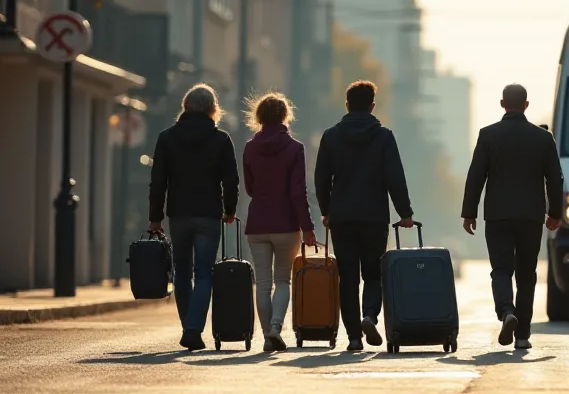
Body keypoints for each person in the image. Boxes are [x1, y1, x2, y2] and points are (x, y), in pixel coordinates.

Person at [314, 80, 415, 352]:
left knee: (348, 277)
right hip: (374, 217)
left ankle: (354, 337)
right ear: (372, 106)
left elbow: (321, 179)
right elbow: (395, 177)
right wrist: (405, 213)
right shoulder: (384, 137)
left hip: (342, 218)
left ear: (347, 105)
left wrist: (326, 211)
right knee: (373, 273)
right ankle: (369, 315)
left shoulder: (331, 137)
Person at [461, 83, 563, 350]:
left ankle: (507, 311)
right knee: (527, 275)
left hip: (498, 216)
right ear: (526, 105)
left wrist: (469, 212)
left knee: (501, 269)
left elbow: (476, 176)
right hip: (531, 217)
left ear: (502, 104)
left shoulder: (488, 135)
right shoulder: (543, 138)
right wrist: (554, 213)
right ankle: (523, 335)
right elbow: (555, 179)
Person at [148, 83, 239, 351]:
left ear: (185, 106)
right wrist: (230, 210)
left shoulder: (167, 138)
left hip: (178, 214)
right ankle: (193, 328)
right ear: (213, 109)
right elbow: (230, 181)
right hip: (209, 214)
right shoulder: (221, 139)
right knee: (204, 273)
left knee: (182, 271)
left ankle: (188, 325)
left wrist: (155, 218)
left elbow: (158, 182)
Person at [241, 92, 317, 352]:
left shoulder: (250, 148)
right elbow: (298, 193)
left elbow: (249, 188)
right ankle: (275, 326)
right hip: (286, 225)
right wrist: (307, 227)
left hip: (257, 225)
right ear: (286, 115)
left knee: (263, 283)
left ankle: (266, 336)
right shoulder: (295, 148)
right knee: (283, 280)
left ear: (259, 116)